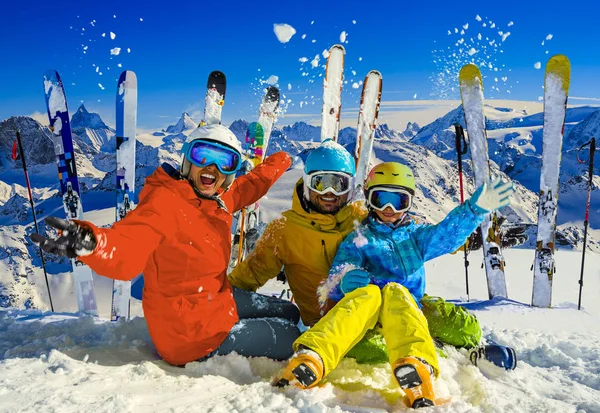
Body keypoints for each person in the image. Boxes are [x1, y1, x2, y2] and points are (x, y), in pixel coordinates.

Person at [31, 124, 301, 366]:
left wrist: (280, 161)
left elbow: (249, 186)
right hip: (191, 337)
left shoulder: (216, 199)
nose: (212, 168)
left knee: (289, 311)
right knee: (291, 334)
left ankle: (239, 321)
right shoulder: (165, 204)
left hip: (214, 302)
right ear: (186, 160)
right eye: (203, 156)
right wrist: (93, 243)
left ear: (230, 173)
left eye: (225, 162)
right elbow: (128, 246)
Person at [275, 162, 514, 408]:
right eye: (381, 199)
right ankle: (313, 357)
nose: (389, 209)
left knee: (459, 325)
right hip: (368, 312)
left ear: (409, 203)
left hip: (409, 308)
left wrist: (473, 211)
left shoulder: (415, 237)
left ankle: (417, 362)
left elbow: (445, 236)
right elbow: (337, 274)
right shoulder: (359, 238)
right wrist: (344, 281)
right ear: (369, 199)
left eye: (398, 201)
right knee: (370, 301)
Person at [229, 141, 484, 364]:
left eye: (338, 184)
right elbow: (249, 274)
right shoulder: (284, 230)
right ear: (307, 183)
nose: (329, 193)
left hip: (399, 304)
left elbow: (413, 234)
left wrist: (463, 230)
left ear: (350, 187)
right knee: (369, 348)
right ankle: (428, 353)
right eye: (321, 183)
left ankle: (426, 341)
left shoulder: (362, 216)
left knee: (463, 326)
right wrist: (217, 301)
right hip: (336, 318)